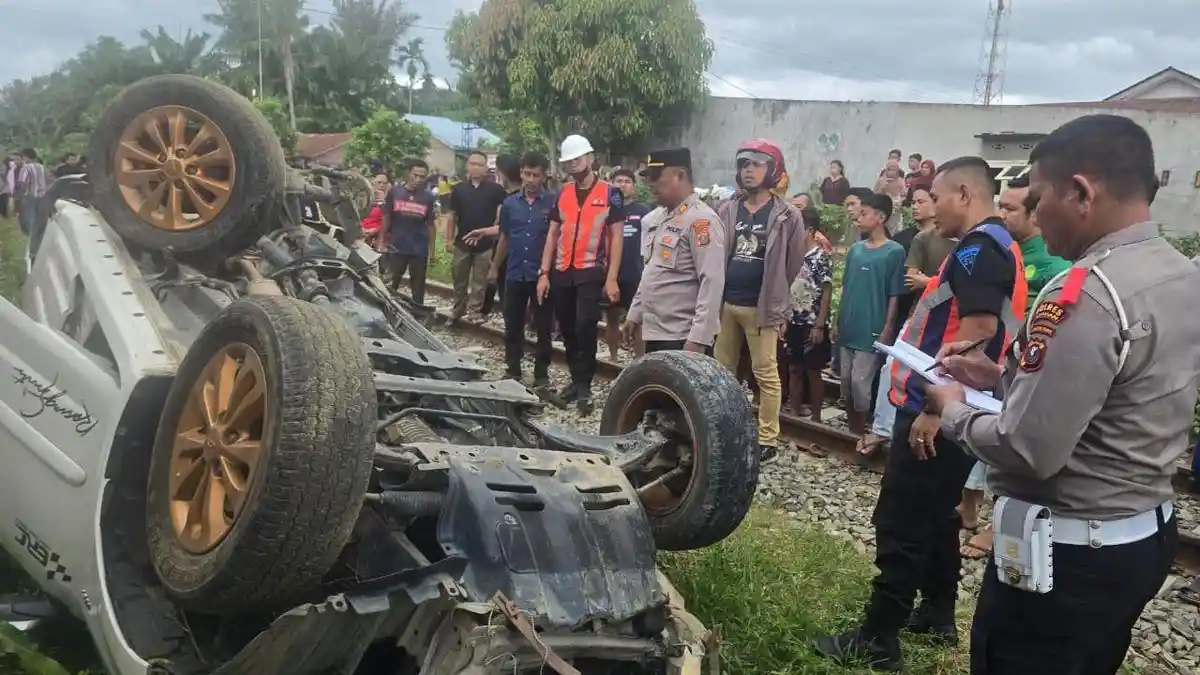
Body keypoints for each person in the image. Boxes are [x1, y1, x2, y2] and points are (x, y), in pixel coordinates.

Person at [926, 114, 1200, 675]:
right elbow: (1116, 390)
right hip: (1141, 533)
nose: (1031, 214)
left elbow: (1027, 447)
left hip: (1067, 557)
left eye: (1037, 196)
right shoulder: (1178, 272)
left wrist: (952, 410)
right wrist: (998, 377)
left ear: (1080, 192)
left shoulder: (1087, 293)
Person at [815, 156, 1028, 670]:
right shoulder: (998, 246)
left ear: (963, 193)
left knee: (902, 519)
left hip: (939, 407)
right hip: (954, 405)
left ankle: (878, 637)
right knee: (935, 516)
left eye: (936, 195)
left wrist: (938, 406)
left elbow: (978, 333)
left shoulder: (977, 250)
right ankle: (936, 612)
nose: (928, 206)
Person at [957, 171, 1074, 560]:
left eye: (1010, 208)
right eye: (1000, 206)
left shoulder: (1055, 262)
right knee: (984, 444)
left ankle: (998, 525)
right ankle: (973, 508)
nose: (1002, 214)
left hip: (1029, 367)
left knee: (1012, 447)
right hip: (1000, 363)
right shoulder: (1007, 250)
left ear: (1034, 213)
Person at [714, 139, 805, 462]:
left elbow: (794, 262)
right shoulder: (727, 208)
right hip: (726, 304)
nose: (748, 170)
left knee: (765, 373)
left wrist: (778, 301)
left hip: (761, 307)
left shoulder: (788, 215)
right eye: (744, 164)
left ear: (773, 170)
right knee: (720, 371)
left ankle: (768, 437)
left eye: (756, 164)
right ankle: (721, 427)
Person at [858, 185, 955, 458]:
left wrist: (931, 282)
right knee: (893, 366)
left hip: (954, 321)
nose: (916, 206)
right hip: (920, 314)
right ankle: (882, 428)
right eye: (915, 201)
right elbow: (913, 280)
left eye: (925, 200)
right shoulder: (923, 239)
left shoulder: (970, 242)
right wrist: (946, 285)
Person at [536, 134, 626, 415]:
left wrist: (611, 277)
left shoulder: (610, 193)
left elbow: (617, 237)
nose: (573, 164)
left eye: (577, 158)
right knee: (567, 328)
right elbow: (552, 234)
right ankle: (576, 380)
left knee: (586, 325)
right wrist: (544, 272)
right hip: (562, 270)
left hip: (590, 270)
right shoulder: (562, 193)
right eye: (569, 160)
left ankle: (585, 384)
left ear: (590, 158)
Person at [623, 148, 725, 355]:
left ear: (680, 176)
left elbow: (712, 283)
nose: (650, 183)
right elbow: (651, 271)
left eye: (656, 176)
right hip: (656, 333)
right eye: (647, 177)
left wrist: (698, 339)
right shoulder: (657, 218)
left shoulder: (702, 221)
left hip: (682, 336)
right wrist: (635, 313)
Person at [831, 192, 906, 444]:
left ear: (881, 217)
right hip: (849, 323)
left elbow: (894, 294)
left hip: (872, 325)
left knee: (860, 381)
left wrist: (888, 327)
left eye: (864, 214)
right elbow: (845, 287)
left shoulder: (894, 252)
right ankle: (852, 429)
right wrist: (836, 320)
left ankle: (860, 429)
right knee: (845, 380)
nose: (858, 218)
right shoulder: (855, 250)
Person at [488, 152, 556, 388]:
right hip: (515, 273)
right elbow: (505, 238)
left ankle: (541, 374)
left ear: (544, 177)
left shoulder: (552, 203)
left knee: (544, 327)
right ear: (521, 173)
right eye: (527, 174)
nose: (531, 180)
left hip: (541, 276)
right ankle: (513, 370)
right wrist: (495, 267)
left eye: (536, 175)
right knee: (513, 324)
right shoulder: (509, 204)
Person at [446, 151, 507, 324]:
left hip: (485, 244)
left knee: (480, 281)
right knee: (459, 278)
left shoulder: (496, 190)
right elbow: (452, 216)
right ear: (467, 165)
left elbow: (501, 214)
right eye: (473, 164)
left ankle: (475, 310)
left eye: (480, 164)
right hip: (462, 242)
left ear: (486, 167)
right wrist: (448, 239)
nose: (476, 168)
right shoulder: (458, 190)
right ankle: (458, 308)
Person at [785, 208, 834, 422]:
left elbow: (826, 290)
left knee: (813, 370)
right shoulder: (792, 255)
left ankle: (816, 417)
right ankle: (794, 412)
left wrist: (819, 324)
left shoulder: (821, 257)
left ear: (809, 230)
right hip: (793, 319)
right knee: (794, 368)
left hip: (811, 321)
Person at [604, 168, 651, 361]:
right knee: (611, 320)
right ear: (611, 185)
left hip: (635, 274)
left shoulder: (644, 213)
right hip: (611, 275)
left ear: (634, 186)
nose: (622, 185)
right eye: (618, 181)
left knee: (639, 321)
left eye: (627, 181)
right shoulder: (606, 210)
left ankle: (639, 361)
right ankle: (613, 358)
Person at [377, 160, 436, 305]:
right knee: (391, 283)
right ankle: (388, 309)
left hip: (419, 249)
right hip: (397, 246)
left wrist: (432, 251)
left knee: (418, 286)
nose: (418, 179)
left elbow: (431, 225)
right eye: (415, 175)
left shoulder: (428, 198)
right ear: (408, 173)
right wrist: (381, 241)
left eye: (422, 177)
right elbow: (386, 218)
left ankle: (418, 312)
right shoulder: (395, 192)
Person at [471, 153, 522, 316]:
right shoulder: (523, 197)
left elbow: (506, 232)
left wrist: (494, 264)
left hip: (509, 258)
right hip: (521, 257)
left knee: (510, 303)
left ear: (503, 174)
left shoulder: (511, 201)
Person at [14, 148, 46, 235]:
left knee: (28, 215)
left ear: (25, 156)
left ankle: (31, 233)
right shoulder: (41, 166)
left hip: (30, 194)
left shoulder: (26, 167)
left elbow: (22, 181)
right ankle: (39, 231)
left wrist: (23, 192)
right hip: (41, 194)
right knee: (38, 214)